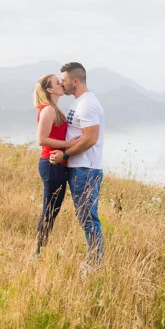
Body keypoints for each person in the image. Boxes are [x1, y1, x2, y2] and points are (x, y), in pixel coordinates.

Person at [49, 61, 105, 269]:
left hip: (85, 169)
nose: (61, 84)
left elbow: (90, 138)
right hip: (79, 168)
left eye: (63, 80)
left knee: (88, 217)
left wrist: (65, 154)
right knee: (84, 216)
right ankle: (94, 260)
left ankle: (95, 264)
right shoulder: (79, 102)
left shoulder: (87, 104)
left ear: (75, 81)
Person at [33, 74, 71, 256]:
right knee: (49, 209)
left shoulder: (55, 109)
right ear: (49, 89)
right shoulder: (48, 110)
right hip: (51, 163)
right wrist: (69, 145)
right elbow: (42, 139)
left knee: (53, 209)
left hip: (57, 163)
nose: (61, 84)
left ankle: (40, 249)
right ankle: (38, 251)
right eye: (57, 83)